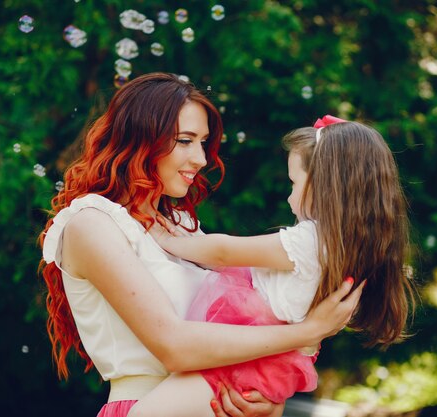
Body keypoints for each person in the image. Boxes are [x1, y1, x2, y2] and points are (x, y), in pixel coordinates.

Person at [39, 73, 363, 417]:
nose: (201, 159)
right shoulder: (91, 223)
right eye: (184, 141)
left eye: (203, 142)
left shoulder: (181, 227)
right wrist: (308, 331)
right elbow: (174, 346)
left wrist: (264, 400)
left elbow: (243, 331)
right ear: (139, 139)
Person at [129, 115, 416, 417]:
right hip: (267, 367)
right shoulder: (351, 249)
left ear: (326, 186)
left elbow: (225, 252)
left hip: (243, 362)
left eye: (295, 183)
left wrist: (164, 236)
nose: (290, 196)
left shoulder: (313, 242)